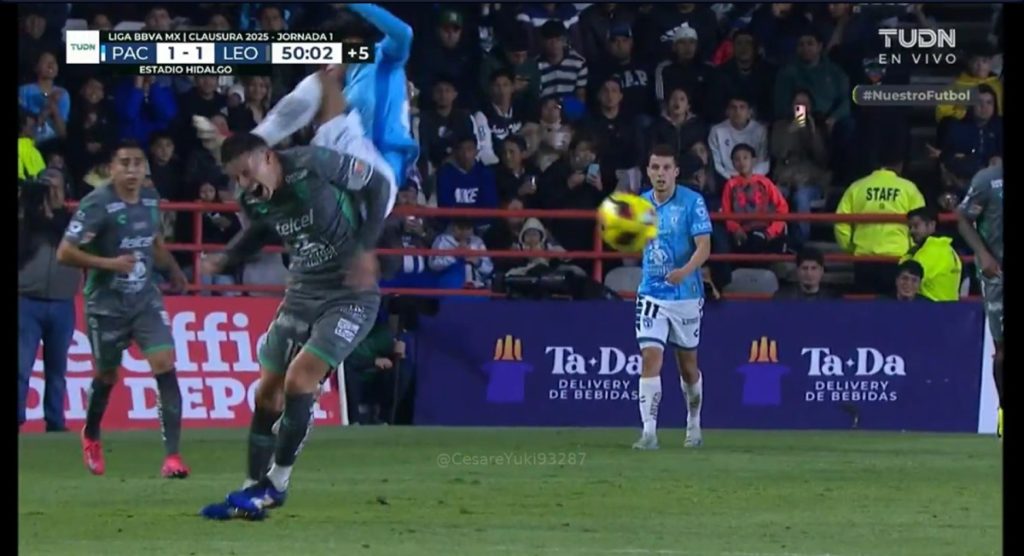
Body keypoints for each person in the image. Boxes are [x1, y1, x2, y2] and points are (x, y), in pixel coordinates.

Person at [197, 99, 393, 520]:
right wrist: (226, 257)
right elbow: (260, 232)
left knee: (300, 380)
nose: (244, 184)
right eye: (236, 178)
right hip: (302, 291)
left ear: (268, 157)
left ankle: (277, 485)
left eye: (247, 172)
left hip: (350, 293)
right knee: (266, 392)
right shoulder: (253, 198)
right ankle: (250, 491)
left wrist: (365, 249)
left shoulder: (313, 163)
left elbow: (377, 185)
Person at [55, 141, 190, 478]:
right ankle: (91, 434)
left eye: (138, 163)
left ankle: (173, 457)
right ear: (111, 169)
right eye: (124, 163)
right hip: (106, 305)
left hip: (145, 300)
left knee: (165, 363)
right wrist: (110, 263)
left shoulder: (151, 199)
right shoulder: (96, 204)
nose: (132, 170)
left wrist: (173, 269)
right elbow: (64, 252)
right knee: (107, 375)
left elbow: (154, 242)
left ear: (145, 168)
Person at [632, 144, 712, 451]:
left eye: (666, 168)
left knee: (688, 368)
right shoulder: (641, 204)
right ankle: (649, 432)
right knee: (650, 357)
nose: (660, 173)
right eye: (655, 167)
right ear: (648, 171)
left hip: (686, 294)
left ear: (676, 171)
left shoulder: (692, 202)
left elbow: (704, 246)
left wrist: (685, 271)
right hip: (651, 293)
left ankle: (693, 422)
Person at [19, 170, 81, 432]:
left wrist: (51, 213)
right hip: (26, 300)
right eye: (47, 187)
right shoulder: (25, 220)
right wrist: (31, 207)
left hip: (62, 301)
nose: (51, 192)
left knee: (57, 368)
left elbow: (72, 240)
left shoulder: (73, 221)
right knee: (21, 366)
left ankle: (55, 421)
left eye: (56, 187)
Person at [956, 164, 1003, 439]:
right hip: (997, 271)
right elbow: (963, 218)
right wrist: (983, 254)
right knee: (1002, 350)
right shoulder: (988, 179)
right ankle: (1003, 410)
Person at [901, 206, 962, 302]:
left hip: (930, 308)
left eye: (916, 226)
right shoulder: (947, 247)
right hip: (948, 307)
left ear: (931, 225)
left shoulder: (931, 250)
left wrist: (907, 256)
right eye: (910, 227)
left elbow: (904, 280)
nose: (911, 231)